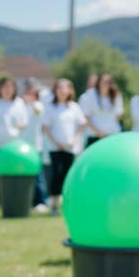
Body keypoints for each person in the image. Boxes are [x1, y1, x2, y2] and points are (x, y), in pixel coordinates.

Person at [42, 79, 87, 215]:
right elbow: (46, 127)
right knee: (56, 174)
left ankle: (67, 205)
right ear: (55, 91)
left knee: (68, 176)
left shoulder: (74, 107)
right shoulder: (50, 107)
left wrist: (75, 139)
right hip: (54, 147)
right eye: (59, 88)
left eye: (65, 88)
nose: (62, 91)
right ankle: (54, 204)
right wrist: (56, 142)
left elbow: (81, 125)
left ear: (69, 90)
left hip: (70, 148)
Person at [0, 77, 28, 208]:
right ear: (0, 89)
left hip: (13, 146)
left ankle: (13, 200)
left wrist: (20, 125)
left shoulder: (19, 103)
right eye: (5, 87)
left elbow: (24, 122)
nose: (7, 90)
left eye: (10, 87)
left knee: (13, 174)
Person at [20, 82, 49, 213]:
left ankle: (41, 200)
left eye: (32, 93)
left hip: (35, 146)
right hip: (22, 147)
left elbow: (38, 111)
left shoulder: (38, 105)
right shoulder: (20, 106)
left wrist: (31, 102)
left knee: (38, 175)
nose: (29, 95)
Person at [78, 73, 123, 147]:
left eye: (108, 82)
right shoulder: (89, 95)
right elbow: (85, 117)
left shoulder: (116, 95)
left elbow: (118, 115)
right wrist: (99, 132)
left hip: (112, 135)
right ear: (98, 82)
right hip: (94, 136)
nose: (106, 84)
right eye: (104, 81)